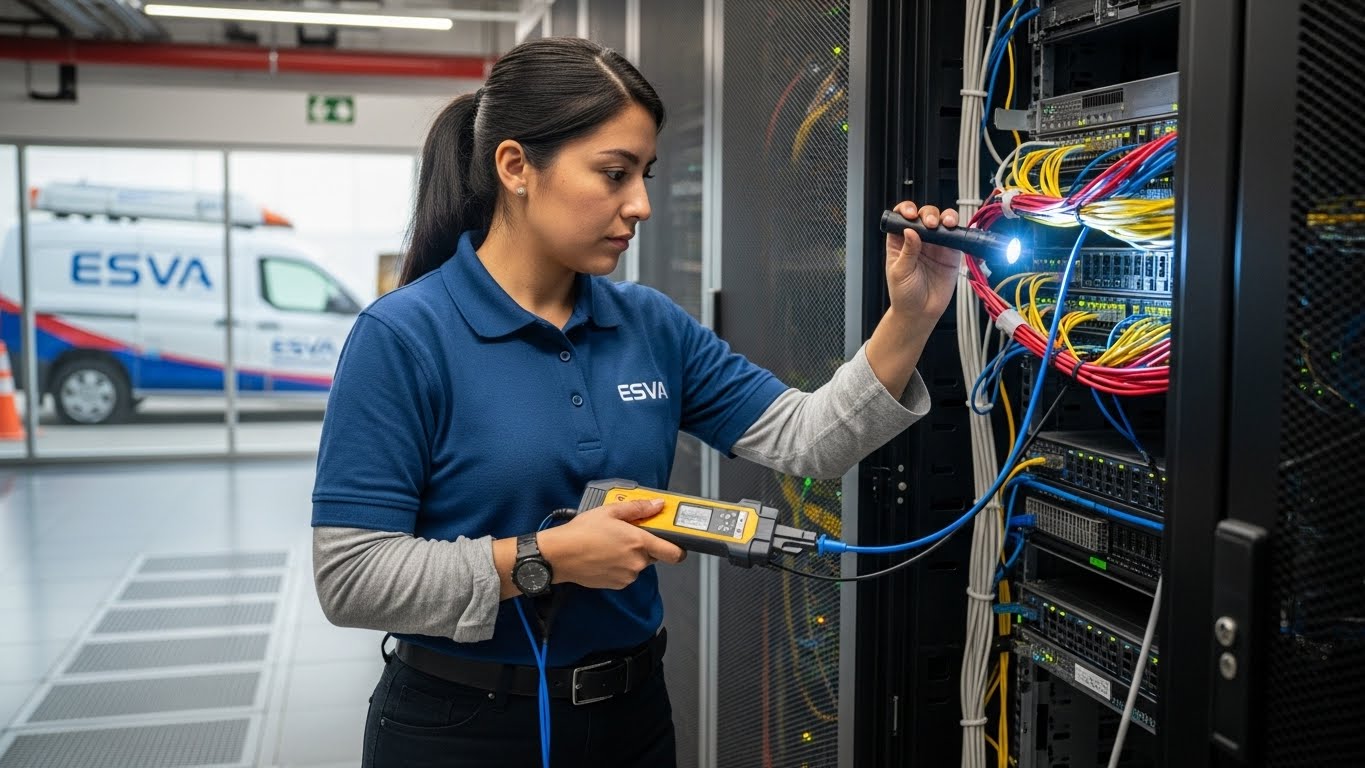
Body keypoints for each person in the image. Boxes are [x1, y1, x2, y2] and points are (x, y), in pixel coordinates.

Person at [312, 36, 961, 768]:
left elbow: (807, 440)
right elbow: (351, 577)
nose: (642, 205)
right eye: (614, 174)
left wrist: (909, 314)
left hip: (633, 715)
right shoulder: (403, 336)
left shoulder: (648, 323)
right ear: (516, 167)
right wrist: (544, 558)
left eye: (645, 175)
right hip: (462, 726)